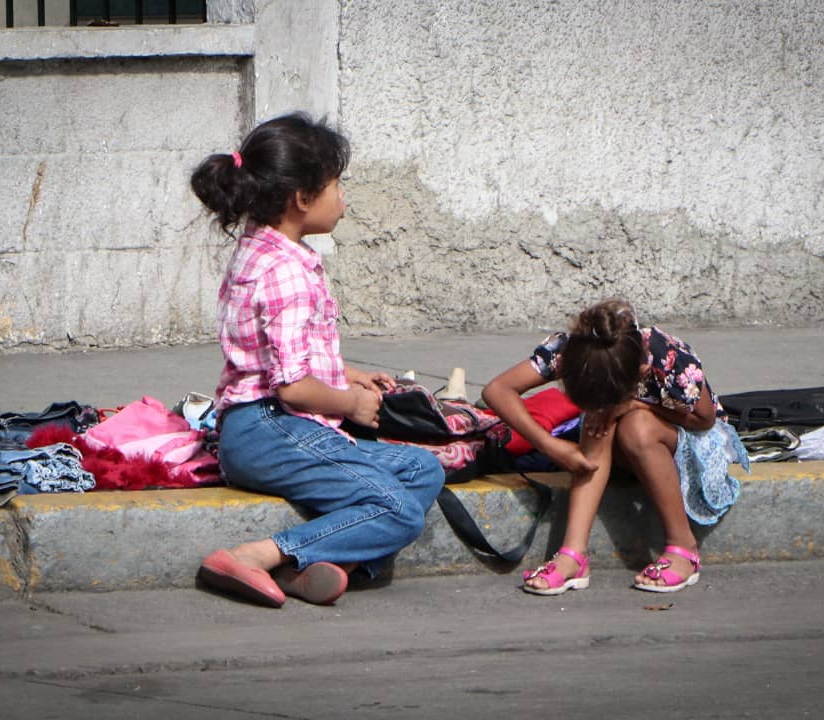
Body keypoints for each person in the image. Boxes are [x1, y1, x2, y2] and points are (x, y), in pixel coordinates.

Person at [189, 112, 445, 608]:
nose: (344, 199)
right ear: (302, 199)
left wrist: (346, 373)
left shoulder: (263, 250)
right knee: (399, 510)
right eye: (337, 185)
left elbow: (277, 352)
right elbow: (291, 386)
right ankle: (258, 555)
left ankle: (316, 565)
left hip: (261, 428)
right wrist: (350, 402)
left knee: (422, 470)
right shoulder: (287, 273)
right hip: (271, 429)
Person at [482, 298, 748, 595]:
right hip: (621, 448)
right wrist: (549, 445)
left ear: (640, 372)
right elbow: (497, 390)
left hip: (686, 440)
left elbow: (704, 420)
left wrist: (630, 405)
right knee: (599, 421)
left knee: (637, 426)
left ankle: (682, 547)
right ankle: (573, 554)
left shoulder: (665, 356)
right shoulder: (572, 351)